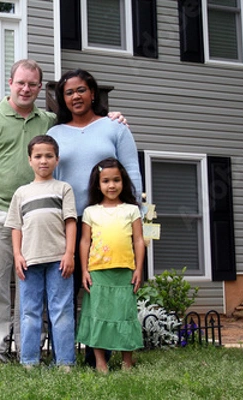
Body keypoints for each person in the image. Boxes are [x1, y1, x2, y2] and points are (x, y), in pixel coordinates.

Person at [0, 60, 126, 366]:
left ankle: (30, 352)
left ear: (40, 88)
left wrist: (111, 118)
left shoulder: (48, 121)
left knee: (31, 287)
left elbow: (82, 127)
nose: (26, 89)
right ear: (10, 83)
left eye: (32, 84)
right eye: (20, 83)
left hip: (43, 217)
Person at [46, 69, 142, 366]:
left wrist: (135, 214)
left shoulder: (115, 128)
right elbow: (51, 177)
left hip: (109, 225)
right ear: (62, 99)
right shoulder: (55, 134)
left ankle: (97, 356)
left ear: (92, 93)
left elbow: (131, 172)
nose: (76, 96)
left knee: (103, 293)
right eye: (69, 92)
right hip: (68, 226)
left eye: (81, 90)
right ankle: (63, 357)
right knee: (65, 294)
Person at [4, 135, 77, 369]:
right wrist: (17, 255)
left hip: (59, 261)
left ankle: (65, 361)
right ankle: (29, 361)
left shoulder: (63, 189)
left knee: (62, 311)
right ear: (29, 160)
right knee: (29, 312)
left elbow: (71, 222)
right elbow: (16, 226)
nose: (43, 161)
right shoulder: (22, 193)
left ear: (57, 159)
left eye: (48, 156)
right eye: (38, 156)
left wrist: (69, 254)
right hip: (29, 262)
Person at [76, 157, 145, 373]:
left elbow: (138, 240)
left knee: (125, 315)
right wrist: (85, 270)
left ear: (123, 182)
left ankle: (127, 362)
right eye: (106, 181)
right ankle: (100, 362)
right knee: (98, 316)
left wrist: (139, 269)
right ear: (98, 184)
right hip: (98, 272)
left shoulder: (132, 210)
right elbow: (85, 241)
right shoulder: (90, 212)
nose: (112, 185)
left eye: (116, 180)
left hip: (125, 271)